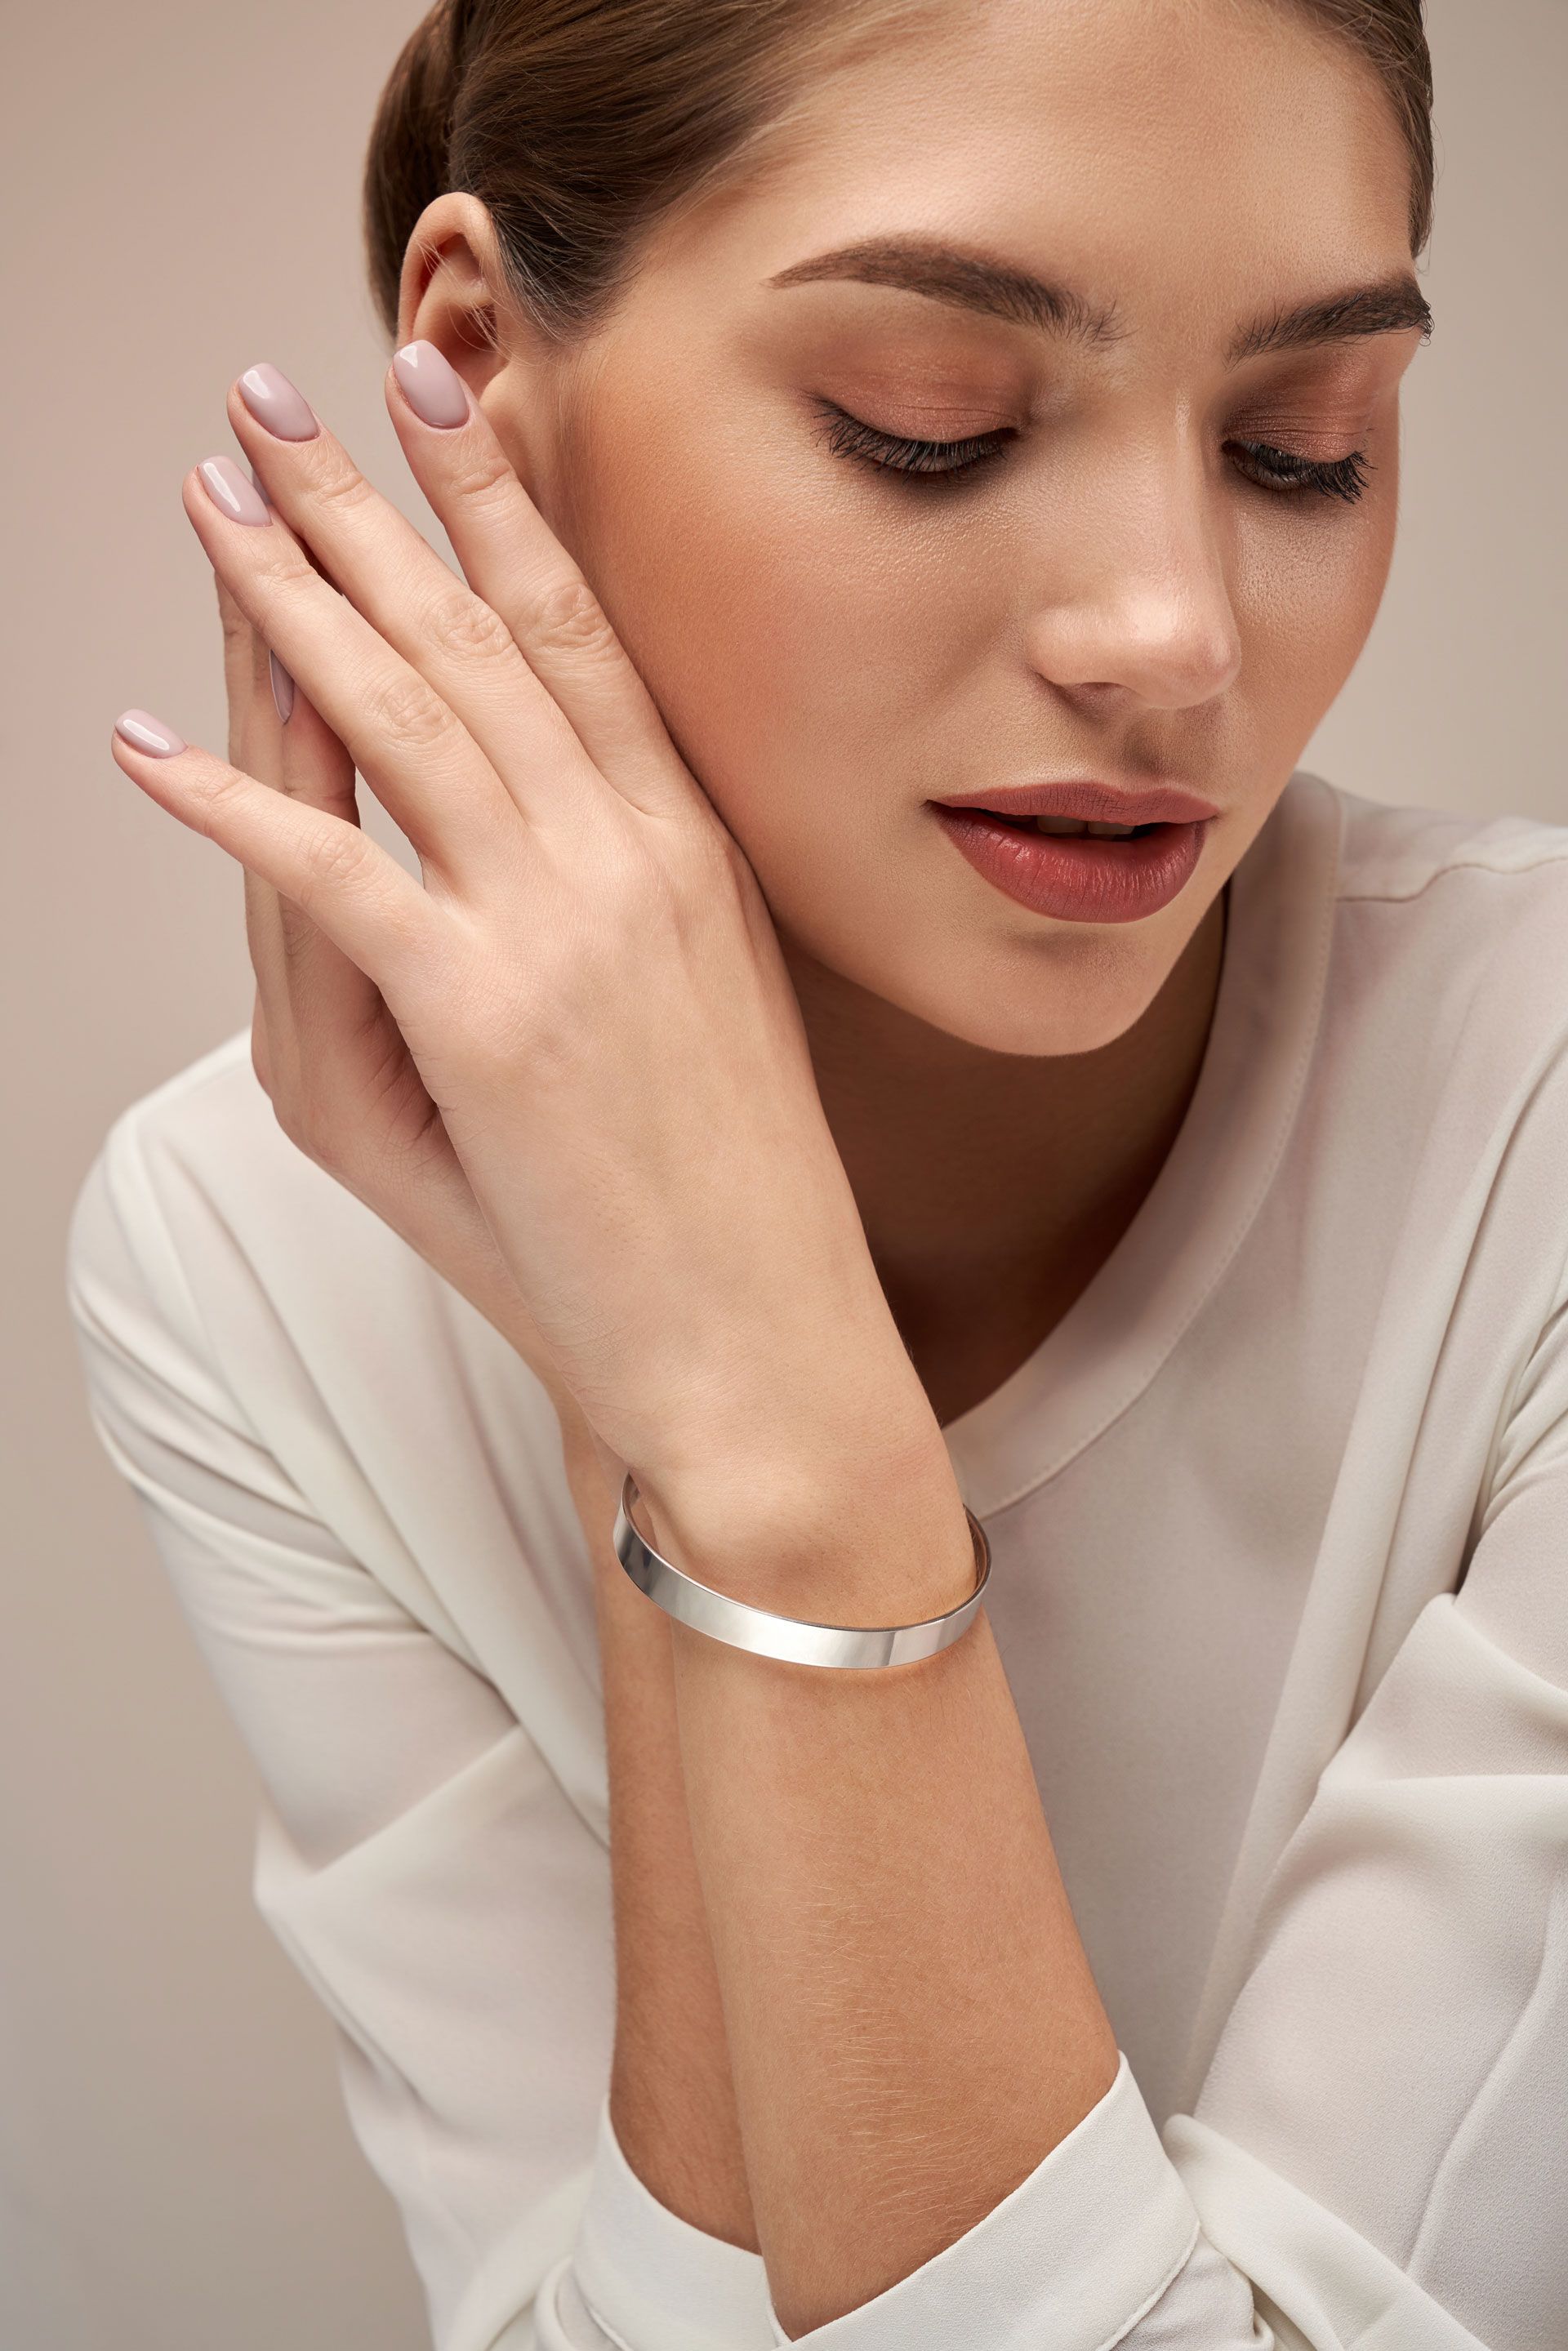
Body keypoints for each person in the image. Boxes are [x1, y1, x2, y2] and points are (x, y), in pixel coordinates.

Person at [65, 0, 1567, 2344]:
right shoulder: (244, 1257)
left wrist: (757, 1424)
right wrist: (652, 1395)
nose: (1171, 637)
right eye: (931, 427)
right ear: (479, 366)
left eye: (1301, 448)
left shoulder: (1536, 1122)